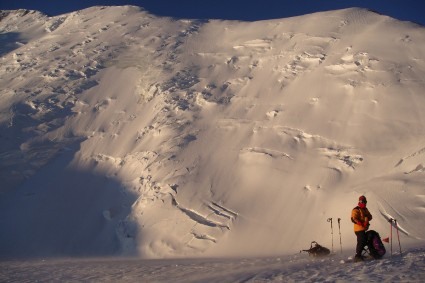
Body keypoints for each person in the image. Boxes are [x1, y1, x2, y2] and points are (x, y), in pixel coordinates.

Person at [351, 195, 372, 261]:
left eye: (365, 201)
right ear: (360, 201)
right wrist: (362, 223)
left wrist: (367, 219)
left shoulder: (365, 209)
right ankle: (358, 256)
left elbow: (370, 216)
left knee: (366, 240)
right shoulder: (356, 209)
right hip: (358, 229)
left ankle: (368, 253)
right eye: (362, 201)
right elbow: (353, 219)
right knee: (362, 241)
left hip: (364, 228)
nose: (364, 203)